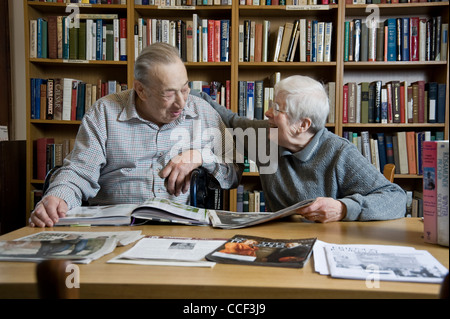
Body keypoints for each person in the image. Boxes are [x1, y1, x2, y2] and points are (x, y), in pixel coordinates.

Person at [30, 43, 242, 227]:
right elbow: (79, 172)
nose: (181, 102)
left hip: (180, 231)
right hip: (114, 229)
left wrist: (200, 156)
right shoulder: (104, 112)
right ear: (140, 90)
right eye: (168, 93)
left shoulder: (202, 112)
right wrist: (58, 198)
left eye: (185, 89)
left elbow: (233, 171)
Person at [191, 75, 407, 223]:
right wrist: (184, 90)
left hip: (327, 246)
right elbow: (228, 119)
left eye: (277, 109)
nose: (267, 113)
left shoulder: (340, 152)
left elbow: (395, 198)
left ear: (302, 125)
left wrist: (343, 209)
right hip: (281, 241)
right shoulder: (266, 136)